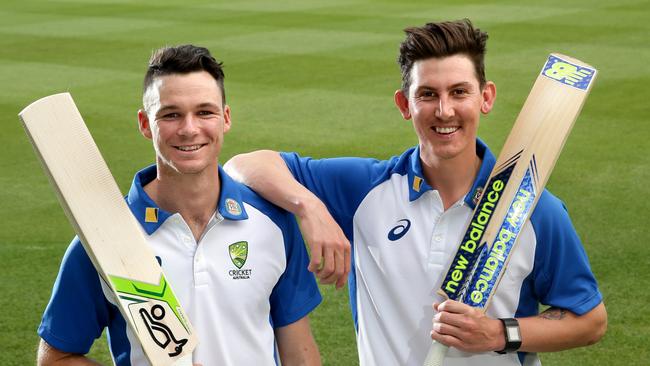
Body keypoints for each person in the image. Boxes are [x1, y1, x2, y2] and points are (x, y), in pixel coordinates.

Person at [224, 19, 607, 365]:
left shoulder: (535, 209)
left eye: (459, 92)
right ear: (404, 104)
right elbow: (244, 164)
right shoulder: (364, 189)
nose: (444, 111)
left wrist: (499, 334)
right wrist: (310, 208)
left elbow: (589, 320)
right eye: (427, 94)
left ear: (485, 97)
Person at [36, 45, 322, 366]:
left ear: (225, 118)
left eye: (204, 112)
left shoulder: (271, 222)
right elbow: (54, 358)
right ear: (145, 124)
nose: (189, 129)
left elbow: (299, 349)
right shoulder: (103, 239)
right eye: (171, 114)